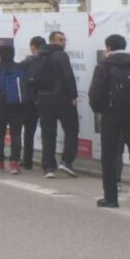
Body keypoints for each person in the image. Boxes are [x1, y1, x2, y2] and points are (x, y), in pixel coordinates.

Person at [88, 33, 130, 211]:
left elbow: (95, 94)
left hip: (111, 116)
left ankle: (111, 197)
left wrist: (101, 109)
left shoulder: (104, 66)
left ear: (108, 47)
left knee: (109, 156)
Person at [33, 31, 80, 179]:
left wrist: (37, 98)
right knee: (72, 129)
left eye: (64, 40)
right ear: (52, 41)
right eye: (61, 40)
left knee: (48, 133)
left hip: (43, 99)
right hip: (62, 99)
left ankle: (48, 167)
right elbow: (68, 76)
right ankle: (66, 161)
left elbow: (32, 79)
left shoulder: (39, 55)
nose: (64, 43)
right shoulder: (61, 55)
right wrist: (73, 96)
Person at [0, 44, 27, 174]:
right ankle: (14, 164)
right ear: (13, 54)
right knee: (16, 135)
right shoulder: (20, 68)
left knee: (0, 134)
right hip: (17, 106)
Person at [18, 35, 46, 170]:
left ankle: (27, 160)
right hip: (43, 99)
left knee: (26, 132)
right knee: (45, 132)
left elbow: (19, 76)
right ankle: (47, 162)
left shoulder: (29, 60)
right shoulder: (49, 59)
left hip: (28, 100)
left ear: (33, 47)